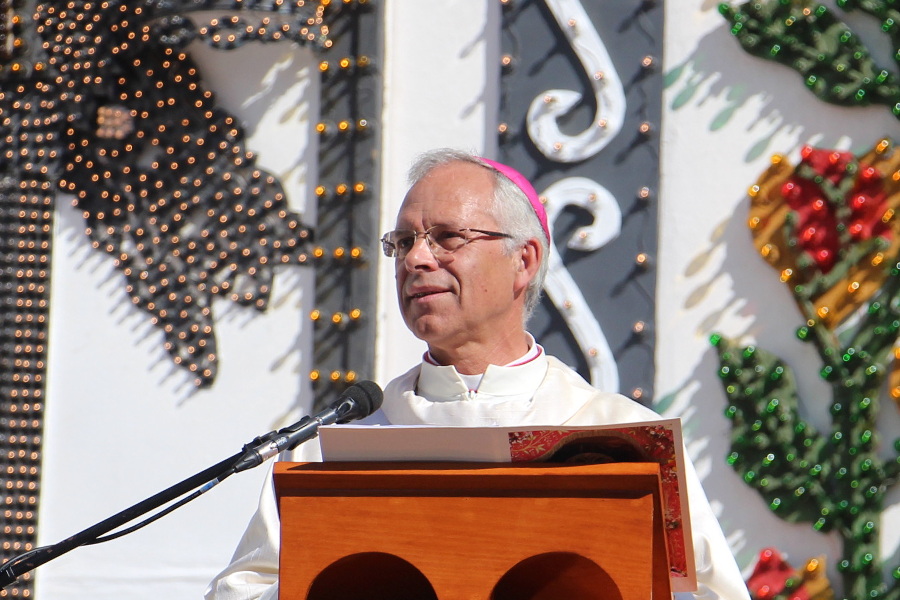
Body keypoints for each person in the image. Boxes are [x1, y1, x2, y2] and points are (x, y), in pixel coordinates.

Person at [205, 148, 751, 600]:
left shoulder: (619, 439)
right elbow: (240, 590)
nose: (416, 259)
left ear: (525, 261)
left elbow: (707, 591)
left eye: (447, 237)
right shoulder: (334, 448)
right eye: (402, 242)